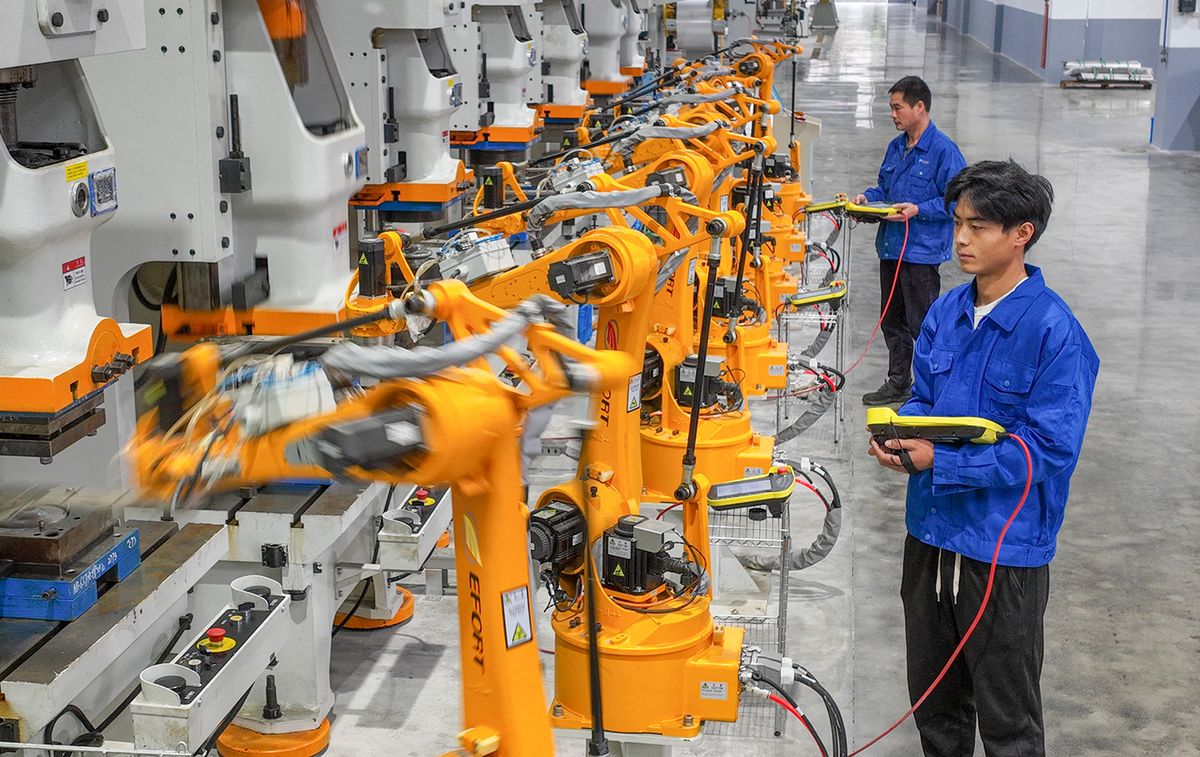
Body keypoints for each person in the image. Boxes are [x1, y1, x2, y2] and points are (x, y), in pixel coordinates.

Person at [868, 160, 1099, 757]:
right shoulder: (946, 311)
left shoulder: (1055, 334)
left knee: (1008, 722)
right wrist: (898, 436)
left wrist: (940, 464)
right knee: (935, 709)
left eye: (979, 227)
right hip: (930, 538)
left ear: (1022, 232)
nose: (961, 240)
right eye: (958, 224)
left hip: (1002, 552)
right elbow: (922, 398)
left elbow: (1048, 448)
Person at [855, 76, 967, 406]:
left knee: (924, 326)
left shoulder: (944, 151)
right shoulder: (896, 147)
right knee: (892, 322)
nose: (892, 115)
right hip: (891, 248)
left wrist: (919, 209)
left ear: (920, 107)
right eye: (891, 108)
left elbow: (958, 201)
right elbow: (884, 190)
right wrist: (866, 200)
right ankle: (898, 382)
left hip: (920, 254)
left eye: (897, 108)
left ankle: (933, 390)